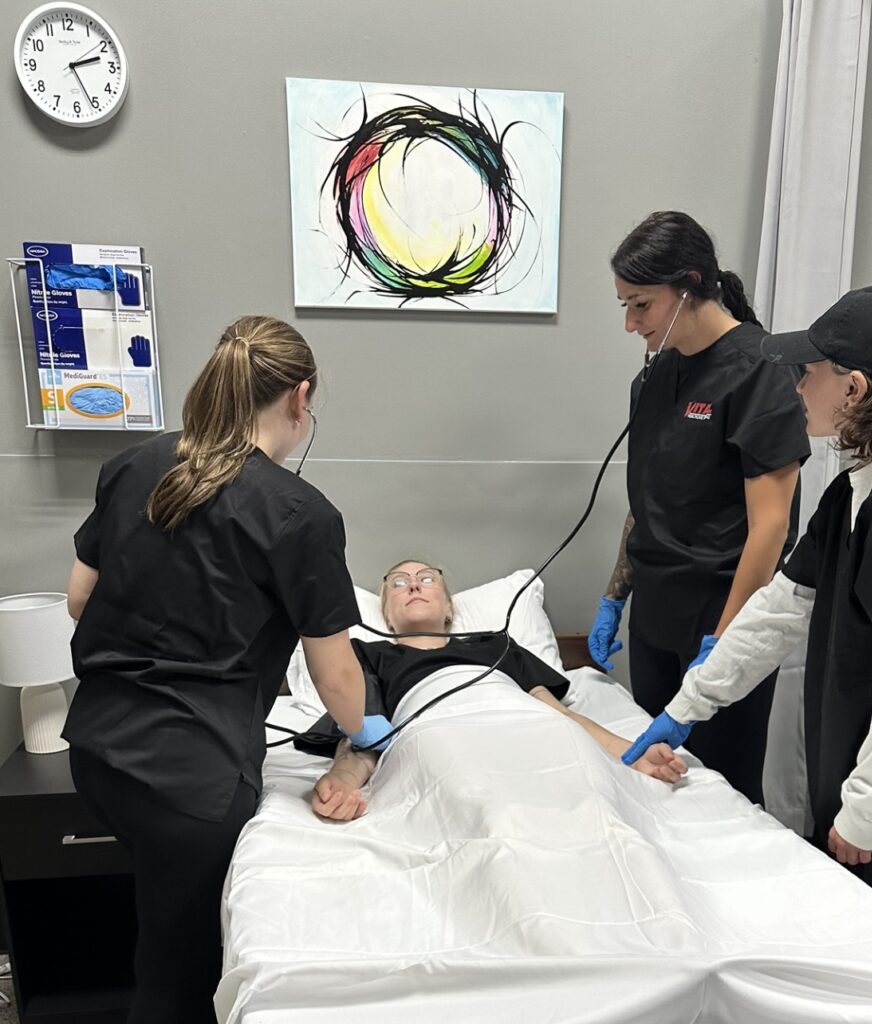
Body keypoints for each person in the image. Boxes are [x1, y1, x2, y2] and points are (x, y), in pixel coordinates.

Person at [622, 284, 872, 947]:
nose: (796, 386)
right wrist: (688, 705)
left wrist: (867, 810)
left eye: (809, 373)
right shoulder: (860, 487)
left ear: (855, 388)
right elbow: (782, 607)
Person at [63, 316, 387, 1024]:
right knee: (177, 985)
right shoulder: (300, 514)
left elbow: (78, 599)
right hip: (191, 787)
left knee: (161, 936)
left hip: (96, 753)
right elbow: (335, 679)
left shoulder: (133, 465)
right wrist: (367, 738)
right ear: (300, 399)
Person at [588, 211, 810, 805]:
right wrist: (616, 594)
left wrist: (724, 643)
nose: (631, 323)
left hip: (722, 617)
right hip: (657, 618)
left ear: (688, 286)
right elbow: (647, 500)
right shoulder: (654, 379)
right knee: (653, 785)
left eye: (641, 305)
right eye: (624, 307)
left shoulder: (761, 372)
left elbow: (772, 525)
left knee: (723, 799)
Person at [311, 560, 688, 821]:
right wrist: (343, 780)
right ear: (387, 616)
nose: (412, 584)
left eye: (427, 579)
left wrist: (632, 754)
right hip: (442, 738)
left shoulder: (495, 644)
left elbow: (559, 716)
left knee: (588, 803)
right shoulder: (364, 655)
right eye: (397, 583)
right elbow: (361, 733)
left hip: (530, 729)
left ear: (448, 609)